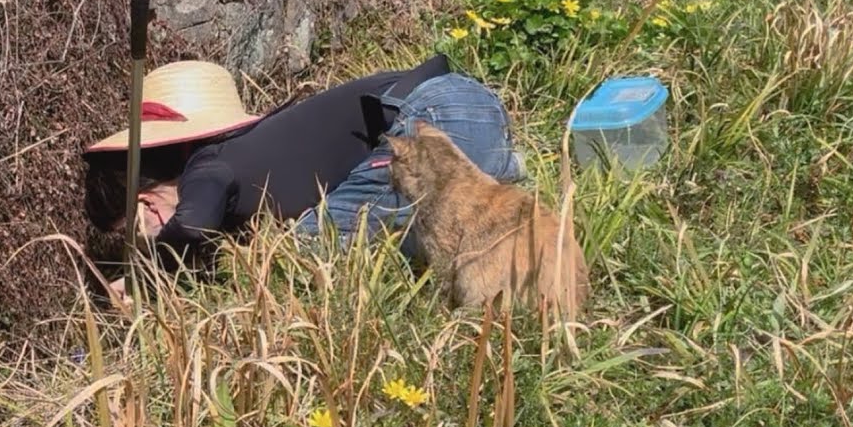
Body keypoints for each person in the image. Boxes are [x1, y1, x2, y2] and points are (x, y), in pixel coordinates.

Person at [82, 53, 525, 299]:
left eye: (134, 231)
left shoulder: (209, 166)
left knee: (296, 255)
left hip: (430, 116)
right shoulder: (253, 154)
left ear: (146, 204)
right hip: (471, 111)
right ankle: (498, 175)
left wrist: (143, 281)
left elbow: (192, 226)